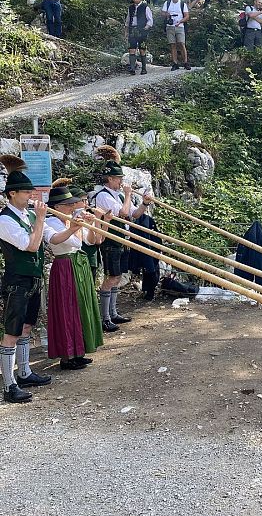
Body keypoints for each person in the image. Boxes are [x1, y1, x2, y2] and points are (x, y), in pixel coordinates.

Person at [0, 159, 86, 403]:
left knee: (27, 327)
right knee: (12, 332)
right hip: (17, 280)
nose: (31, 195)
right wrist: (40, 218)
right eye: (26, 192)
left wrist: (74, 227)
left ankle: (24, 372)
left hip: (33, 278)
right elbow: (32, 245)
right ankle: (9, 385)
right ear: (12, 194)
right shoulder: (4, 220)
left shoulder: (29, 214)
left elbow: (54, 239)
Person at [45, 187, 104, 371]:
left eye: (72, 204)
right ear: (57, 206)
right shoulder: (50, 222)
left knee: (81, 306)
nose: (72, 207)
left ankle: (80, 351)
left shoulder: (71, 220)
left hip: (79, 264)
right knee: (66, 308)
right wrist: (74, 227)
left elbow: (91, 241)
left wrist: (92, 224)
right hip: (64, 265)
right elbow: (57, 240)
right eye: (68, 204)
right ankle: (67, 355)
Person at [93, 160, 153, 332]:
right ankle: (105, 317)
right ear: (110, 179)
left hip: (122, 240)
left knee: (118, 278)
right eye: (118, 178)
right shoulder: (103, 195)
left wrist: (145, 203)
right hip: (111, 241)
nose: (121, 182)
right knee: (112, 277)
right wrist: (128, 195)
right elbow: (123, 213)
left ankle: (113, 313)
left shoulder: (118, 195)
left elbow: (134, 214)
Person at [161, 0, 191, 71]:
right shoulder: (167, 3)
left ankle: (185, 62)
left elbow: (187, 16)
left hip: (180, 26)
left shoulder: (182, 4)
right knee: (172, 44)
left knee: (181, 44)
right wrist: (166, 14)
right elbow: (162, 13)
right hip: (170, 26)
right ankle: (175, 63)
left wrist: (181, 21)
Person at [125, 0, 153, 75]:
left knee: (142, 49)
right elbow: (128, 20)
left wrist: (145, 28)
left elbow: (150, 20)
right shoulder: (130, 8)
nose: (135, 0)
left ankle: (144, 69)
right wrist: (126, 31)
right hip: (132, 29)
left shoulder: (145, 7)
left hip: (142, 31)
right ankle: (132, 68)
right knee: (131, 49)